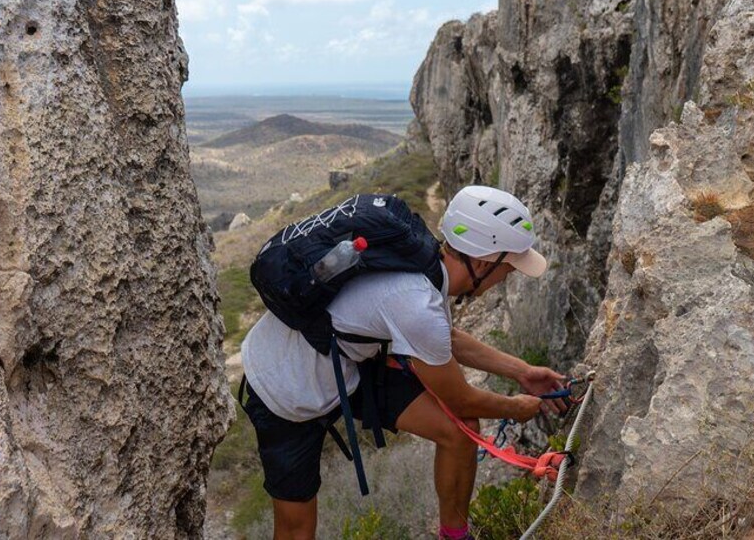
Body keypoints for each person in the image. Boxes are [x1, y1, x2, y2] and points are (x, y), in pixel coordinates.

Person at [239, 185, 566, 540]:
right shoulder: (415, 301)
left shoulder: (424, 260)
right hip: (285, 388)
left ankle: (454, 536)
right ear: (485, 263)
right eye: (509, 268)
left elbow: (445, 338)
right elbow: (461, 397)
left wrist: (523, 372)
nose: (508, 277)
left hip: (345, 365)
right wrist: (516, 408)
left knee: (459, 431)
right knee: (297, 530)